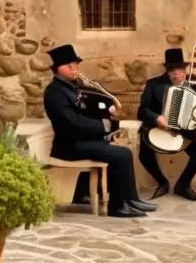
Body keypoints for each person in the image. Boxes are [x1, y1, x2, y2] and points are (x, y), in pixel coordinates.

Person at [43, 44, 157, 218]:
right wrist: (105, 127)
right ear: (58, 69)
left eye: (75, 65)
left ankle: (131, 199)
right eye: (69, 66)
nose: (74, 69)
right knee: (122, 155)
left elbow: (86, 111)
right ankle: (117, 207)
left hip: (81, 141)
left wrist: (107, 111)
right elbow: (73, 122)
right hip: (69, 146)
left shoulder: (72, 87)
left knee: (122, 153)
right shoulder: (54, 93)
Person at [137, 48, 196, 202]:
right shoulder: (153, 84)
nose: (176, 74)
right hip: (156, 128)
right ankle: (162, 182)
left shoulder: (193, 85)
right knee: (144, 154)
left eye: (179, 70)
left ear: (184, 69)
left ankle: (183, 185)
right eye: (172, 70)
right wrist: (156, 118)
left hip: (183, 129)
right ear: (167, 71)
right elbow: (142, 111)